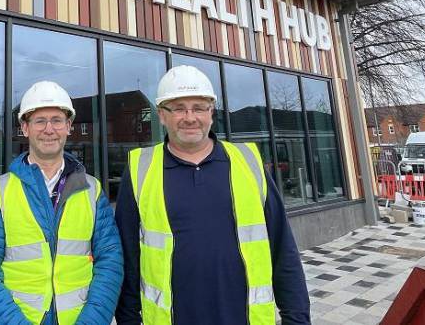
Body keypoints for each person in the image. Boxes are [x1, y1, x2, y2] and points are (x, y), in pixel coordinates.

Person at [114, 65, 310, 325]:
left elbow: (283, 249)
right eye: (179, 108)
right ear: (162, 115)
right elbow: (127, 258)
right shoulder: (141, 170)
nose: (190, 117)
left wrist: (296, 319)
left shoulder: (248, 163)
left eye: (198, 107)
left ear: (211, 113)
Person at [0, 81, 123, 324]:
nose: (48, 129)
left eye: (57, 120)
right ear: (25, 128)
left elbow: (110, 262)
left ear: (69, 126)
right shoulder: (0, 191)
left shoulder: (92, 190)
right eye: (39, 121)